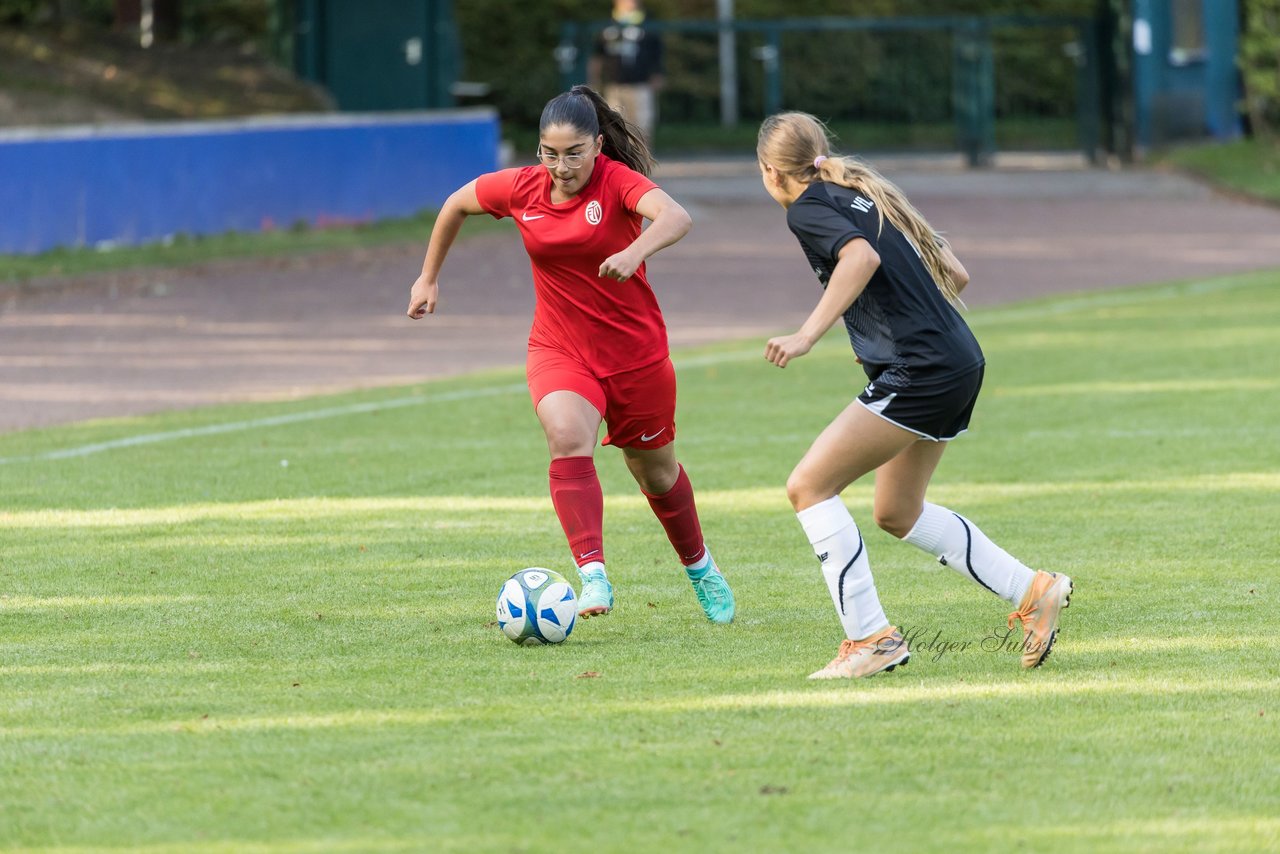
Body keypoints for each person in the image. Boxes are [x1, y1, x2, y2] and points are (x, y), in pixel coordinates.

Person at [755, 112, 1072, 679]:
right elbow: (954, 272)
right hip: (957, 358)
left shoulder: (807, 207)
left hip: (923, 369)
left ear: (770, 172)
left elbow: (862, 259)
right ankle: (1034, 590)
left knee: (809, 486)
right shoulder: (858, 192)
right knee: (897, 511)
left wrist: (807, 336)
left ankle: (870, 640)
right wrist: (880, 332)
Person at [407, 85, 734, 624]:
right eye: (549, 153)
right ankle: (593, 573)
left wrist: (635, 250)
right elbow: (455, 204)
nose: (561, 166)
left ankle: (700, 567)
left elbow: (675, 217)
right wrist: (427, 278)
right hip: (559, 346)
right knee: (565, 436)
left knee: (655, 474)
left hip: (634, 354)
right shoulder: (521, 189)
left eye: (574, 153)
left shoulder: (617, 181)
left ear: (598, 145)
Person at [589, 0, 663, 142]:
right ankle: (621, 161)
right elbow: (597, 55)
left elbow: (657, 52)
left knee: (643, 126)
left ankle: (641, 162)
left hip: (641, 84)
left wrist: (657, 75)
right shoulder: (608, 26)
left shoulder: (648, 25)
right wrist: (594, 79)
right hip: (615, 85)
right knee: (615, 126)